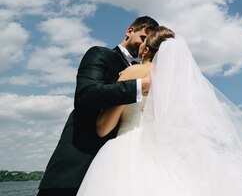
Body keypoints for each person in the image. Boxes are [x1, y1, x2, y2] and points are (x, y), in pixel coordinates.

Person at [77, 26, 242, 196]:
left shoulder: (132, 72)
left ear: (145, 50)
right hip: (166, 155)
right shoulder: (181, 86)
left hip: (126, 150)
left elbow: (103, 128)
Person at [38, 16, 159, 196]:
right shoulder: (100, 54)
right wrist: (138, 86)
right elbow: (86, 95)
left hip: (119, 171)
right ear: (129, 31)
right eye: (142, 37)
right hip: (76, 167)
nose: (143, 44)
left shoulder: (152, 73)